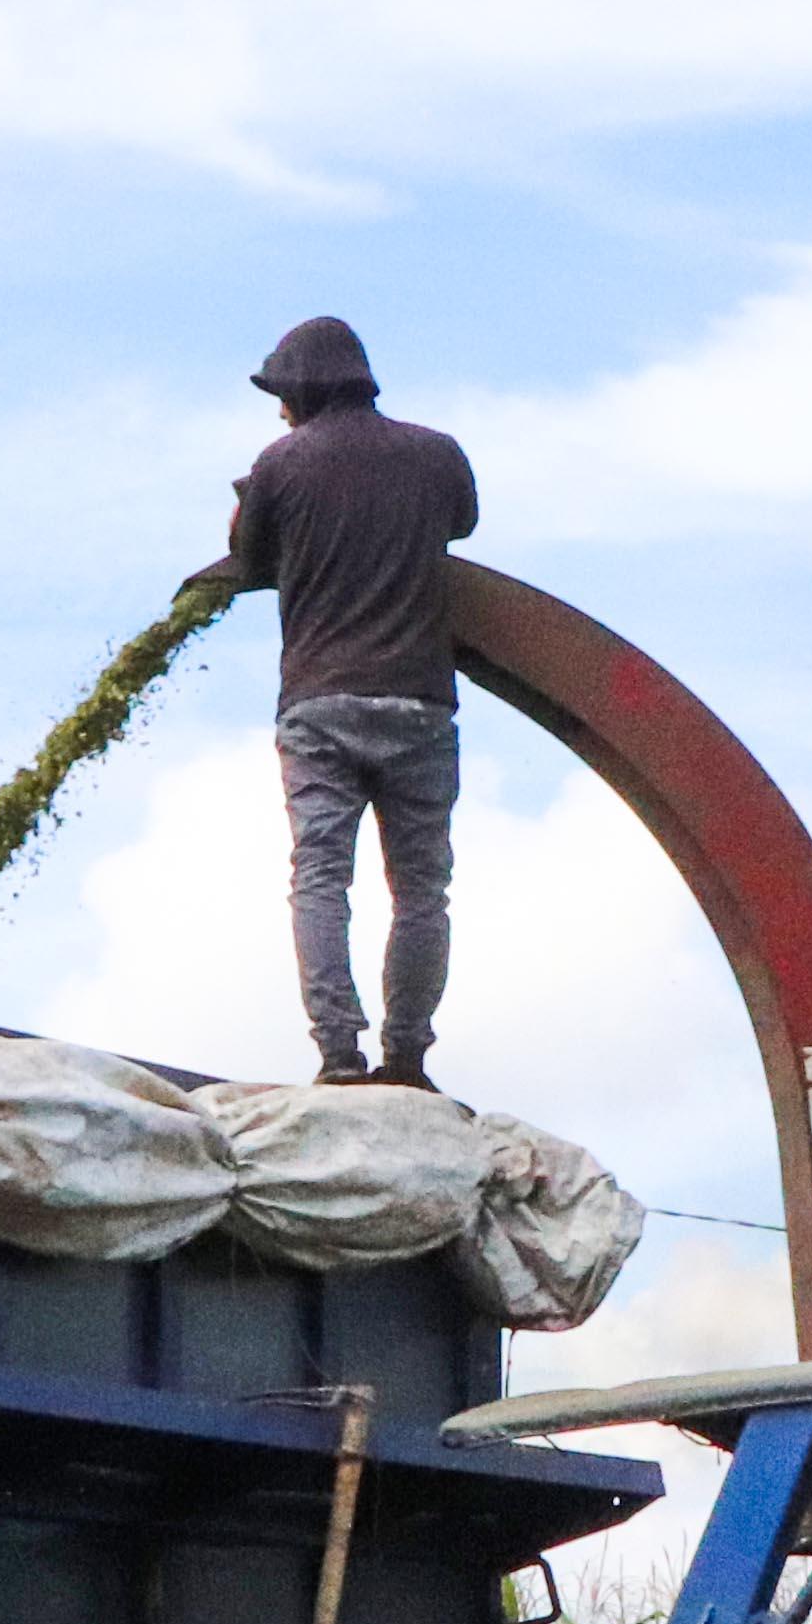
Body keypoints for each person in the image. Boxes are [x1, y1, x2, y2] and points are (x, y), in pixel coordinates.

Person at [223, 315, 480, 1088]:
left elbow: (247, 558)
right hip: (419, 704)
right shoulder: (437, 454)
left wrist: (253, 501)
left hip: (320, 705)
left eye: (281, 393)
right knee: (422, 890)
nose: (278, 409)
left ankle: (338, 1053)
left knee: (321, 875)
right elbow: (462, 523)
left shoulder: (280, 464)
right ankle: (407, 1056)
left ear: (303, 387)